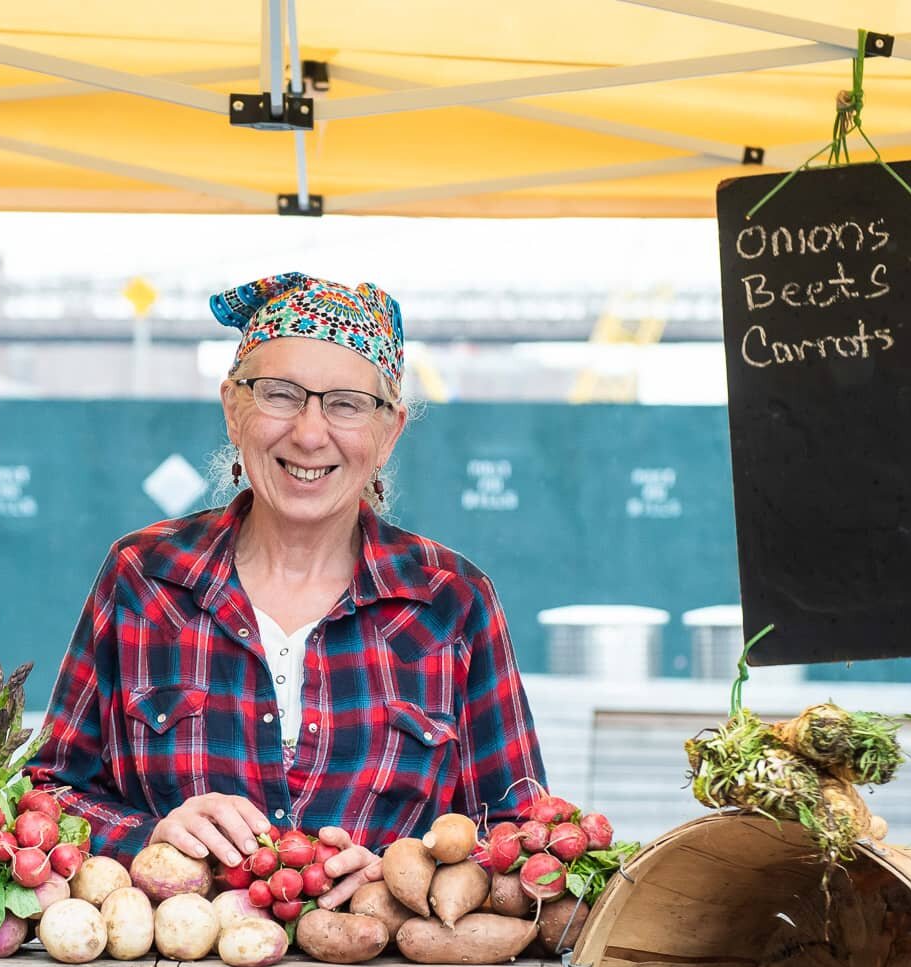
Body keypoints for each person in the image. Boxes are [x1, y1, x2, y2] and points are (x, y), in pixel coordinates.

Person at [30, 272, 545, 910]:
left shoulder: (451, 602)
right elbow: (47, 794)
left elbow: (522, 837)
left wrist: (402, 873)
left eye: (347, 404)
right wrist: (146, 838)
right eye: (280, 395)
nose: (308, 433)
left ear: (389, 434)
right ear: (232, 407)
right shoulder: (144, 577)